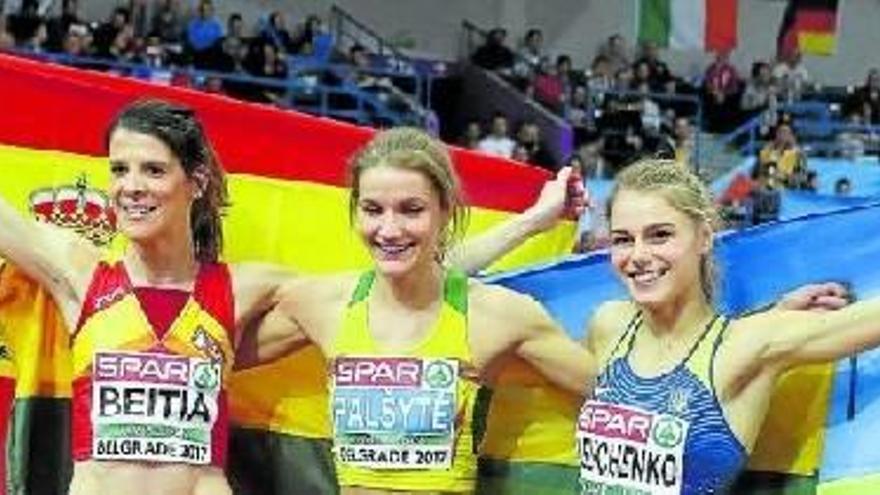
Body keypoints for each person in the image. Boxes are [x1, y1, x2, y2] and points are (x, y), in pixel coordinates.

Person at [0, 99, 584, 495]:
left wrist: (531, 224)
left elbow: (408, 280)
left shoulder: (243, 289)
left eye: (152, 170)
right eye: (119, 169)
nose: (131, 186)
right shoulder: (79, 275)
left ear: (195, 183)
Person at [249, 127, 596, 493]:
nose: (389, 229)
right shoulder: (324, 305)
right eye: (372, 209)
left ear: (446, 210)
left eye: (411, 210)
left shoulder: (497, 315)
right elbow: (206, 357)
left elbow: (618, 397)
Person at [579, 159, 875, 495]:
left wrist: (769, 319)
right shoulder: (609, 324)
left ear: (704, 238)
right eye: (622, 239)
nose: (638, 255)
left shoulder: (748, 347)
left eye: (660, 235)